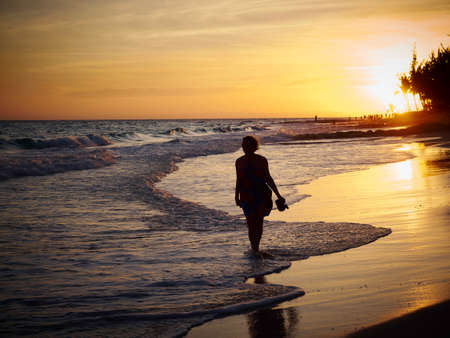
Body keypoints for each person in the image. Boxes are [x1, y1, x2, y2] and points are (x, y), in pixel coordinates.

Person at [235, 135, 286, 252]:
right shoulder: (239, 161)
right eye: (243, 145)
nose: (244, 147)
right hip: (246, 195)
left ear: (254, 146)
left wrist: (278, 195)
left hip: (261, 194)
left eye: (247, 145)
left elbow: (268, 178)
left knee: (258, 222)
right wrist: (236, 196)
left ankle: (255, 248)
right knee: (250, 223)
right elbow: (238, 180)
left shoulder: (261, 160)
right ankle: (254, 248)